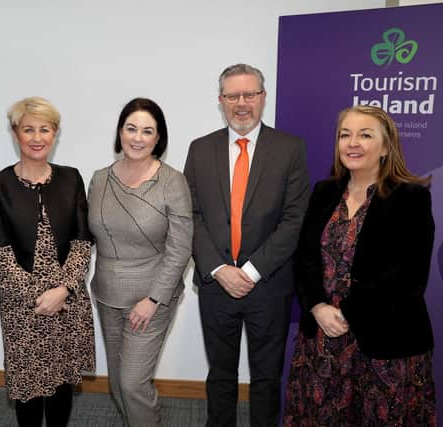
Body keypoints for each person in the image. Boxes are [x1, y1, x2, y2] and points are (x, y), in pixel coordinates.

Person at [284, 105, 436, 426]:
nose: (352, 143)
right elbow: (305, 258)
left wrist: (347, 312)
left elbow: (408, 276)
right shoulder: (324, 192)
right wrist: (317, 307)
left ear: (385, 147)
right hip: (322, 340)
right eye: (345, 135)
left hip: (387, 344)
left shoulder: (411, 197)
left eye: (365, 135)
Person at [183, 63, 310, 427]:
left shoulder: (289, 149)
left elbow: (294, 219)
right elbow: (190, 216)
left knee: (266, 378)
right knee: (220, 376)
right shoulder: (200, 149)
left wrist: (251, 271)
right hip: (216, 283)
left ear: (263, 97)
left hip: (268, 285)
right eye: (233, 95)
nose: (242, 103)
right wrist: (220, 270)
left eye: (250, 94)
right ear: (221, 101)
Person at [0, 96, 95, 427]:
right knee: (28, 387)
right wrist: (41, 296)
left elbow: (83, 242)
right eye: (28, 130)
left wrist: (63, 290)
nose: (37, 138)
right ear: (15, 133)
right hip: (24, 308)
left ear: (54, 133)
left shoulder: (71, 178)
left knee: (61, 384)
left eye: (45, 129)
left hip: (67, 303)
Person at [88, 97, 193, 426]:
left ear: (158, 138)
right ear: (120, 132)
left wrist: (153, 299)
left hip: (151, 298)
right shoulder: (100, 178)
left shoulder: (172, 181)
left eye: (147, 131)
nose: (137, 137)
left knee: (133, 383)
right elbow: (86, 235)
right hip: (107, 294)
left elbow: (180, 246)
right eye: (131, 128)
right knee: (119, 385)